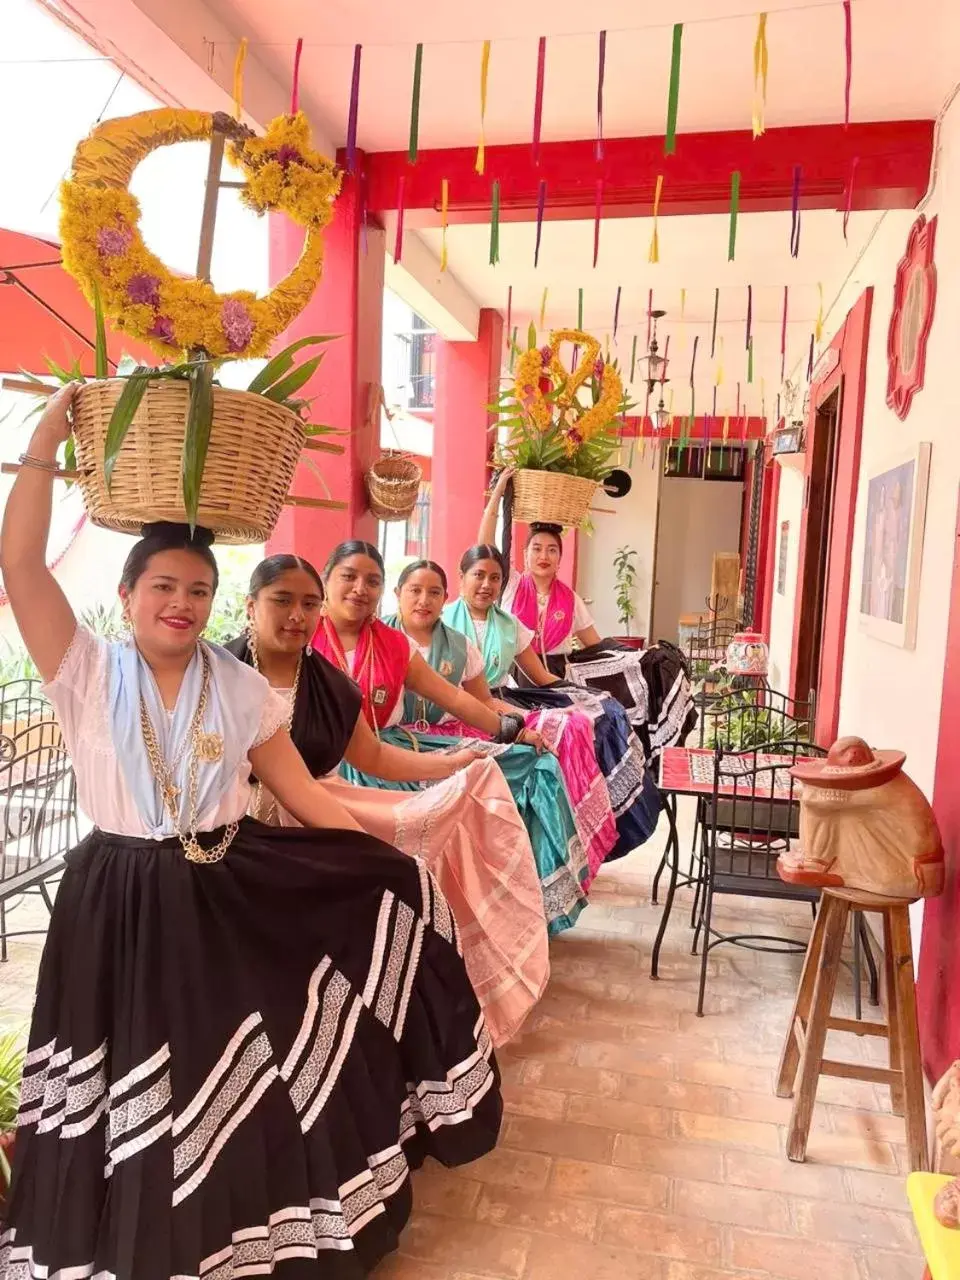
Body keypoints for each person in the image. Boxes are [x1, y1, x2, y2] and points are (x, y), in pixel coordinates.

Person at [0, 384, 501, 1280]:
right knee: (123, 1079)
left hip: (227, 890)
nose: (182, 604)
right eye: (163, 587)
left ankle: (234, 1245)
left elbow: (303, 792)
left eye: (198, 589)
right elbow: (21, 565)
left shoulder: (238, 688)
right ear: (128, 593)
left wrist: (385, 858)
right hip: (114, 901)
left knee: (226, 1068)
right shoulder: (83, 668)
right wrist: (45, 439)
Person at [226, 554, 549, 1047]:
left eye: (307, 604)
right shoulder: (218, 676)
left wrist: (454, 764)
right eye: (282, 600)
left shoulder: (334, 685)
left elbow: (374, 754)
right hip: (230, 840)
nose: (297, 615)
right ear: (251, 605)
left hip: (319, 826)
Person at [312, 543, 589, 936]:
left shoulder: (396, 645)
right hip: (323, 770)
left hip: (394, 753)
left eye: (371, 580)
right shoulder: (303, 638)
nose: (360, 588)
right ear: (325, 582)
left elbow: (458, 699)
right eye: (349, 577)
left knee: (530, 766)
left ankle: (504, 913)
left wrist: (514, 732)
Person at [385, 558, 615, 888]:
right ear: (397, 593)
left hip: (450, 733)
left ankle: (525, 883)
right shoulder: (379, 639)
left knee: (540, 764)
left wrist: (521, 727)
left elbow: (481, 701)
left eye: (434, 592)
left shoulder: (461, 646)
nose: (424, 600)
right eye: (415, 591)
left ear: (445, 596)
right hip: (393, 740)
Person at [445, 544, 662, 859]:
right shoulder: (443, 622)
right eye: (478, 575)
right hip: (459, 708)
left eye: (495, 578)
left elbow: (541, 677)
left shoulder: (509, 624)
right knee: (556, 730)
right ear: (461, 576)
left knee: (591, 719)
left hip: (503, 697)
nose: (486, 585)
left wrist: (585, 695)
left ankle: (576, 838)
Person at [480, 467, 695, 767]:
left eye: (552, 550)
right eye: (537, 548)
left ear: (559, 559)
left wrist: (641, 657)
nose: (544, 555)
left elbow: (597, 647)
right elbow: (486, 546)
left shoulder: (571, 600)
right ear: (525, 554)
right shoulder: (511, 586)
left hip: (555, 681)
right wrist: (499, 492)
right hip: (516, 682)